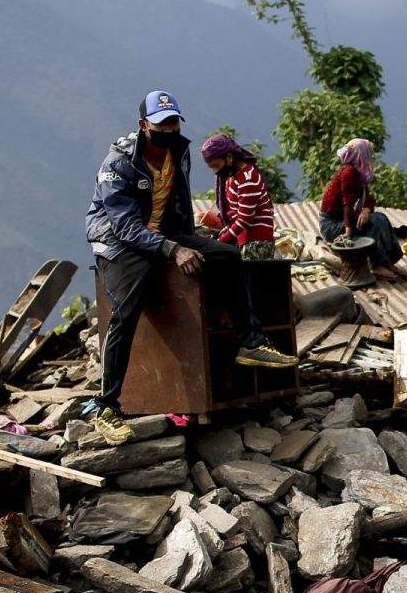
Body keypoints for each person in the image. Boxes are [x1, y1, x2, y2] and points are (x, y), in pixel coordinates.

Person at [83, 90, 296, 445]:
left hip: (165, 234)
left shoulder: (177, 153)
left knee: (227, 257)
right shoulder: (116, 166)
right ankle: (106, 406)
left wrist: (188, 240)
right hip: (120, 242)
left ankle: (251, 342)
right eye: (161, 123)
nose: (168, 128)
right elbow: (123, 226)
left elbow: (177, 204)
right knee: (127, 310)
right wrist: (173, 251)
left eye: (173, 121)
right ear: (143, 125)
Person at [319, 138, 407, 281]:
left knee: (381, 218)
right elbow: (347, 204)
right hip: (332, 224)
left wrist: (366, 210)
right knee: (373, 223)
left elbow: (368, 199)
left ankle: (388, 262)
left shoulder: (359, 173)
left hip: (344, 219)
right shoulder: (348, 172)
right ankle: (376, 264)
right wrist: (348, 231)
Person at [200, 133, 277, 259]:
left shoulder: (248, 178)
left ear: (229, 157)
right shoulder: (233, 178)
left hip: (256, 243)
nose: (215, 171)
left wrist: (219, 243)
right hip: (244, 240)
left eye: (216, 166)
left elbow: (244, 219)